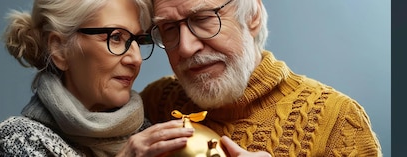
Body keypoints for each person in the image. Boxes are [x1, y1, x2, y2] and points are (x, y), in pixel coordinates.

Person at [140, 0, 383, 156]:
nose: (185, 47)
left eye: (202, 18)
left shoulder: (339, 121)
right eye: (169, 28)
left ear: (253, 15)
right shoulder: (157, 101)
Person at [0, 0, 196, 156]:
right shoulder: (17, 138)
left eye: (138, 41)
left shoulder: (151, 135)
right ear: (59, 49)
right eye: (115, 37)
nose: (136, 59)